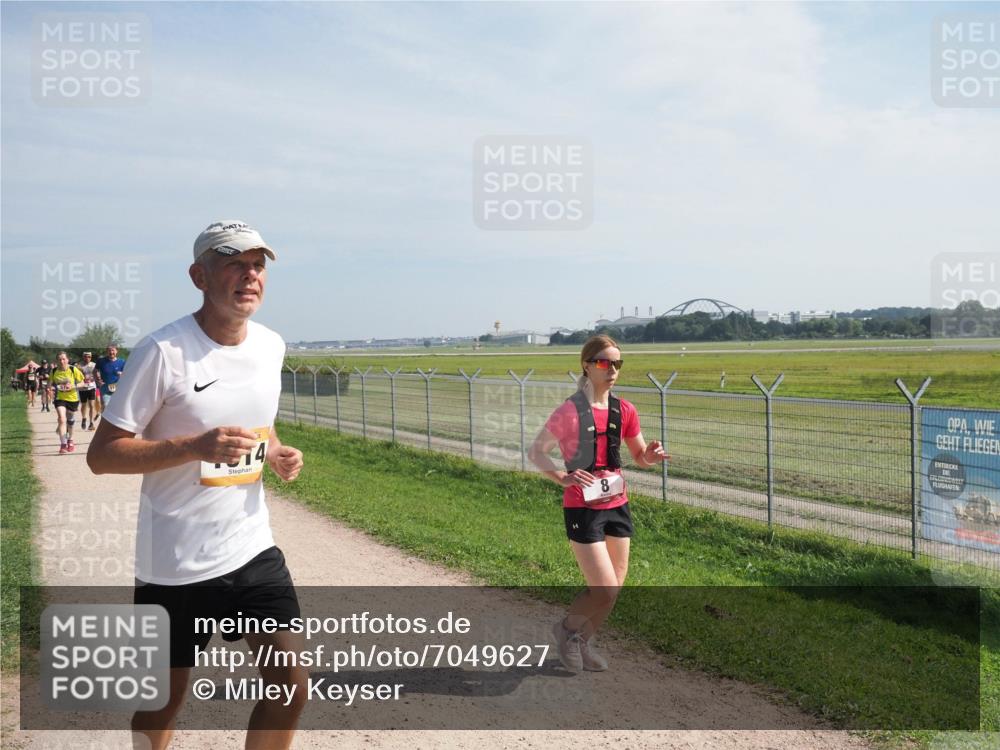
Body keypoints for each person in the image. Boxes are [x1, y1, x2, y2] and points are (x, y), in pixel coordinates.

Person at [87, 220, 307, 750]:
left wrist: (275, 452)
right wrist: (193, 447)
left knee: (290, 685)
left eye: (257, 265)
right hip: (175, 563)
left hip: (251, 546)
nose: (249, 275)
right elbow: (102, 455)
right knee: (164, 697)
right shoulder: (163, 352)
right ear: (199, 275)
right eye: (234, 263)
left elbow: (260, 422)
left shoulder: (271, 346)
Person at [528, 334, 668, 673]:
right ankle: (566, 631)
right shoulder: (569, 411)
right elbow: (537, 452)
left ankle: (581, 641)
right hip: (583, 508)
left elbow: (638, 456)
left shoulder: (625, 409)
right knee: (603, 589)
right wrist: (562, 477)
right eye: (604, 362)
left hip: (617, 505)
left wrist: (649, 456)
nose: (612, 370)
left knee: (614, 588)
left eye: (617, 363)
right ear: (587, 366)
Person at [50, 352, 84, 453]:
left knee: (70, 421)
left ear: (67, 360)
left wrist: (73, 386)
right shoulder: (54, 371)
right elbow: (49, 384)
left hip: (73, 399)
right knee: (62, 419)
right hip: (59, 398)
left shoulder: (73, 369)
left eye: (64, 359)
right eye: (59, 359)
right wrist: (51, 388)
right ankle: (63, 444)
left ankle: (71, 440)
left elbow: (82, 383)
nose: (62, 361)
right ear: (57, 361)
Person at [94, 343, 125, 412]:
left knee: (117, 408)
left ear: (117, 351)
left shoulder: (122, 362)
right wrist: (97, 381)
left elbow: (127, 374)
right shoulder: (101, 361)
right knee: (106, 406)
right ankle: (105, 420)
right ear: (107, 351)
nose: (111, 352)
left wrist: (122, 374)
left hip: (118, 389)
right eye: (109, 350)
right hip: (105, 388)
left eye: (113, 350)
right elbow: (95, 371)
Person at [77, 351, 99, 429]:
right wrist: (82, 379)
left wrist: (93, 378)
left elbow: (97, 375)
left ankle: (91, 423)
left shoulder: (94, 365)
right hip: (82, 388)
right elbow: (76, 377)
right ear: (83, 357)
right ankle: (84, 418)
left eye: (89, 357)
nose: (87, 358)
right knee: (83, 405)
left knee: (92, 405)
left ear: (91, 357)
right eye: (86, 356)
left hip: (91, 387)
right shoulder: (79, 366)